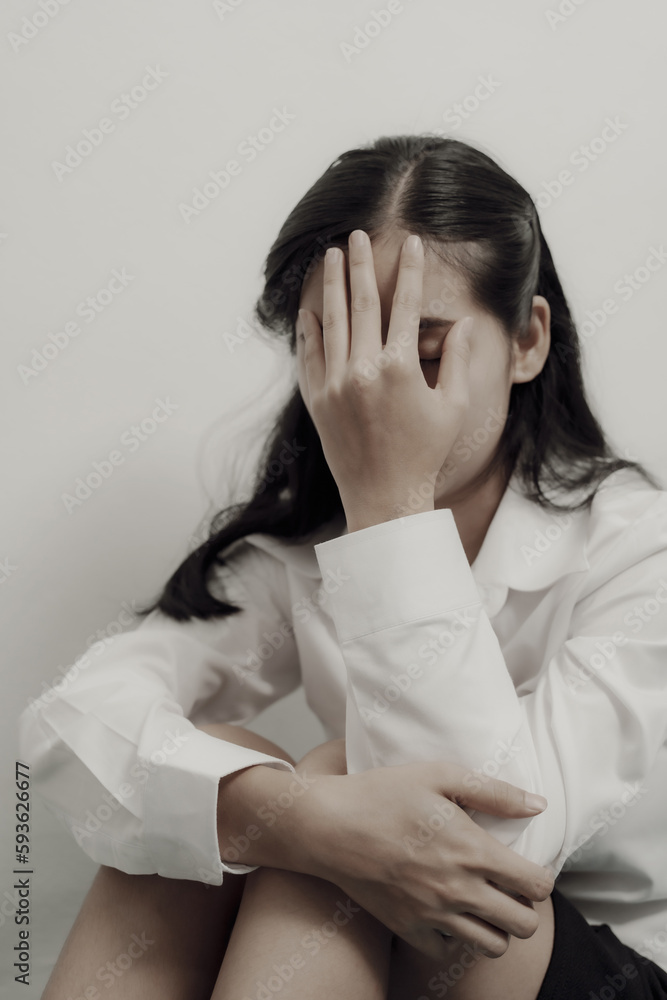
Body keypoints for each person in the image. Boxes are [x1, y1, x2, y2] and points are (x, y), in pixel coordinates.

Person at [19, 134, 667, 999]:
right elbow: (71, 725)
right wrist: (286, 818)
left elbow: (481, 854)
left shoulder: (638, 546)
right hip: (397, 947)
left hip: (594, 965)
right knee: (235, 781)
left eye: (421, 353)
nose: (376, 391)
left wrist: (390, 505)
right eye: (343, 353)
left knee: (341, 779)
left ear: (526, 341)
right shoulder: (298, 548)